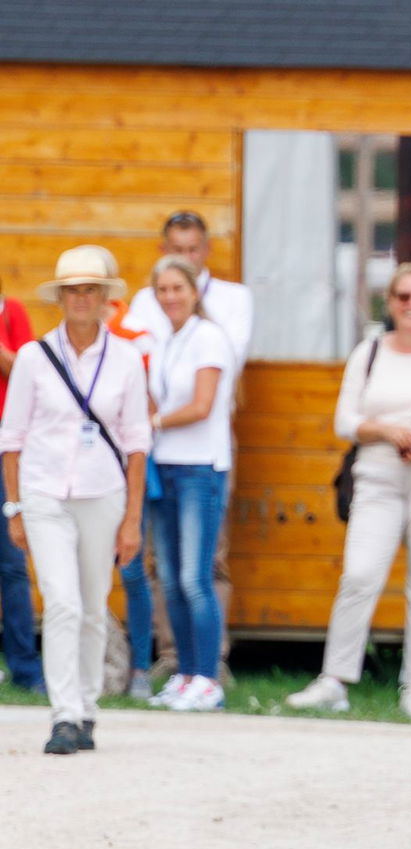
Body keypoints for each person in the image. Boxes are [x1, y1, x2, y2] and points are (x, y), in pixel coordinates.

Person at [286, 264, 411, 721]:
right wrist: (388, 431)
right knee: (359, 576)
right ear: (390, 302)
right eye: (403, 297)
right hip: (378, 478)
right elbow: (344, 421)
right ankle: (334, 680)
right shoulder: (369, 352)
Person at [0, 246, 151, 755]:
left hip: (102, 493)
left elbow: (136, 443)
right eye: (73, 289)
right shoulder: (35, 358)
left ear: (105, 297)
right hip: (44, 493)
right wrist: (15, 506)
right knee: (61, 602)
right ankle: (63, 713)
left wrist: (132, 519)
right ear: (61, 297)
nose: (81, 298)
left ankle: (87, 707)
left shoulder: (126, 359)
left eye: (90, 289)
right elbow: (12, 436)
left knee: (91, 605)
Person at [127, 210, 252, 676]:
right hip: (161, 457)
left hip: (203, 454)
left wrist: (152, 417)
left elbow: (212, 389)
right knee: (167, 566)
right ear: (163, 251)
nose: (184, 259)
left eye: (192, 249)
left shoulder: (225, 311)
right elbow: (133, 364)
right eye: (175, 251)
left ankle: (208, 665)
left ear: (205, 252)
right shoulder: (151, 309)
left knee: (203, 567)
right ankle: (175, 661)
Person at [143, 256, 235, 712]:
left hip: (202, 467)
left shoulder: (210, 337)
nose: (171, 297)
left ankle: (208, 678)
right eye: (162, 289)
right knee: (170, 580)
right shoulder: (166, 342)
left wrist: (153, 420)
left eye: (177, 288)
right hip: (166, 466)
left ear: (194, 291)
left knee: (195, 578)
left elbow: (202, 405)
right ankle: (184, 675)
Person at [105, 281, 159, 699]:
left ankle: (140, 666)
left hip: (130, 464)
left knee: (133, 569)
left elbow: (149, 402)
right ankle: (99, 665)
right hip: (83, 472)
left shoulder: (138, 334)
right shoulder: (65, 340)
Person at [0, 276, 46, 694]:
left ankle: (25, 668)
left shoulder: (11, 310)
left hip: (5, 448)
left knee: (12, 565)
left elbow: (26, 373)